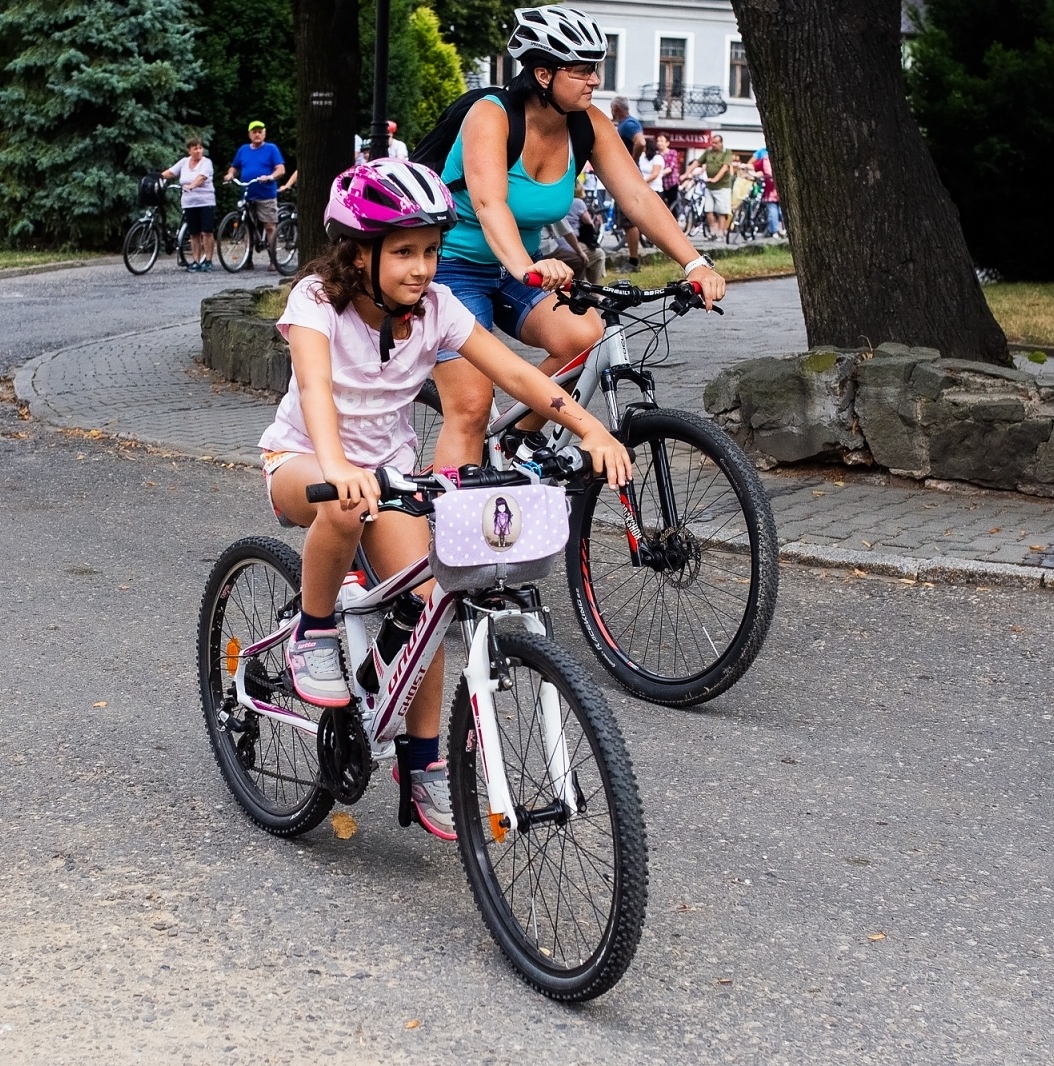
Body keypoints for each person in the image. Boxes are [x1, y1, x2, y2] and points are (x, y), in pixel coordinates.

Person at [258, 160, 632, 840]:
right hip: (305, 460)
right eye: (404, 252)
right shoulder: (317, 300)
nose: (422, 267)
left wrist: (592, 430)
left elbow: (516, 373)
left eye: (431, 250)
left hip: (389, 473)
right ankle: (313, 632)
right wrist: (337, 466)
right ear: (359, 253)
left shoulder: (434, 309)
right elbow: (313, 387)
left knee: (430, 600)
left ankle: (424, 760)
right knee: (344, 505)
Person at [429, 4, 726, 473]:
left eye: (596, 68)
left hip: (518, 267)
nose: (594, 80)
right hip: (452, 266)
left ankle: (514, 441)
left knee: (585, 335)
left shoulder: (587, 124)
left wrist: (695, 264)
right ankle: (447, 515)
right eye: (582, 70)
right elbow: (489, 204)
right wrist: (526, 267)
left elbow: (637, 196)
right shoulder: (492, 116)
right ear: (543, 74)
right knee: (470, 406)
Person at [224, 120, 286, 256]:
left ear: (264, 133)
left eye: (260, 132)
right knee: (247, 226)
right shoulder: (243, 150)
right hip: (248, 194)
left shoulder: (271, 149)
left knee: (269, 226)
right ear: (249, 134)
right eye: (254, 132)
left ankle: (273, 258)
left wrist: (270, 177)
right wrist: (230, 174)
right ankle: (248, 258)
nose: (257, 134)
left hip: (266, 194)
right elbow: (234, 167)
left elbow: (281, 169)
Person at [162, 138, 216, 271]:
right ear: (189, 150)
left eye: (200, 148)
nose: (198, 151)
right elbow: (170, 172)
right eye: (195, 148)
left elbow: (202, 177)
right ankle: (196, 261)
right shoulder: (184, 162)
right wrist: (157, 177)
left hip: (205, 201)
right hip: (189, 203)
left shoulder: (206, 162)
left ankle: (208, 261)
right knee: (194, 233)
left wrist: (191, 186)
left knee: (206, 232)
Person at [609, 95, 646, 270]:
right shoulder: (625, 124)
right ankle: (633, 260)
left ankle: (633, 262)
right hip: (624, 176)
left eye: (612, 108)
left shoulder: (629, 124)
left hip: (627, 177)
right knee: (628, 221)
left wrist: (631, 162)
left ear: (616, 108)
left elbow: (641, 142)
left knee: (629, 220)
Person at [690, 133, 735, 240]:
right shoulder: (708, 152)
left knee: (721, 211)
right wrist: (687, 173)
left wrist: (715, 179)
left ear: (721, 143)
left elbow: (725, 167)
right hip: (709, 187)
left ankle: (720, 233)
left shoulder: (727, 152)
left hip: (722, 186)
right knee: (708, 209)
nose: (713, 145)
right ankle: (713, 231)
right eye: (712, 143)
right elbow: (697, 162)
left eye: (716, 143)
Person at [753, 147, 783, 237]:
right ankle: (784, 230)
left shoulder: (765, 159)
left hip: (771, 190)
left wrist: (745, 167)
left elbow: (755, 167)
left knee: (772, 209)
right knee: (781, 210)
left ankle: (774, 231)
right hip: (782, 190)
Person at [655, 134, 680, 213]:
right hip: (660, 184)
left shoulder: (672, 153)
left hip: (671, 183)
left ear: (667, 143)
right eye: (658, 141)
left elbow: (670, 168)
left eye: (662, 141)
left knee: (672, 205)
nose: (659, 143)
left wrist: (657, 174)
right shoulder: (655, 154)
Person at [638, 137, 665, 206]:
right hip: (643, 188)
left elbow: (655, 174)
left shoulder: (657, 158)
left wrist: (643, 182)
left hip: (655, 188)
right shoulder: (642, 156)